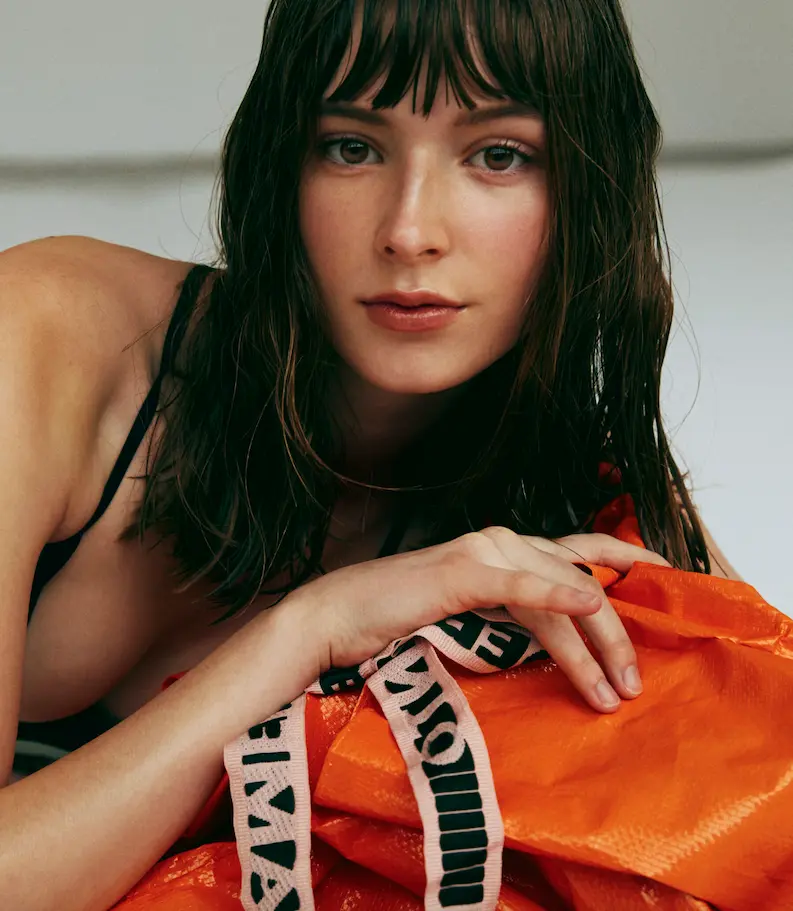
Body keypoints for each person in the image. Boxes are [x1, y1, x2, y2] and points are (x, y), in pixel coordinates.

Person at [0, 0, 741, 908]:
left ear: (592, 191)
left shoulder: (571, 495)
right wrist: (312, 627)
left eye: (497, 155)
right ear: (283, 163)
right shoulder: (46, 339)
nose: (409, 230)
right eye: (352, 147)